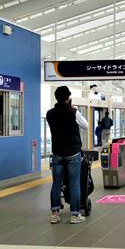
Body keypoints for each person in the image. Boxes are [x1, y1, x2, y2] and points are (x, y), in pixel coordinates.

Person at [46, 86, 89, 224]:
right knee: (74, 183)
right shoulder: (73, 112)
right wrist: (72, 109)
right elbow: (85, 125)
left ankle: (54, 214)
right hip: (72, 152)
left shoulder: (50, 113)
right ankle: (75, 215)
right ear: (68, 98)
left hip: (57, 152)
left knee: (56, 183)